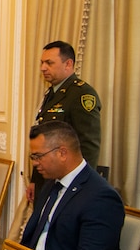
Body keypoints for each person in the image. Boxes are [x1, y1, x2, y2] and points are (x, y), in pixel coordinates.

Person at [18, 121, 127, 250]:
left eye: (38, 156)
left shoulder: (101, 196)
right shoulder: (52, 184)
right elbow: (34, 236)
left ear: (62, 152)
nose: (34, 163)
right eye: (32, 157)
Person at [28, 40, 101, 202]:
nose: (43, 68)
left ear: (68, 64)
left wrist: (80, 184)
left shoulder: (81, 94)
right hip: (46, 180)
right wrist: (34, 180)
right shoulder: (51, 94)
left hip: (67, 182)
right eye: (41, 63)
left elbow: (88, 145)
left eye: (49, 63)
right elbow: (42, 144)